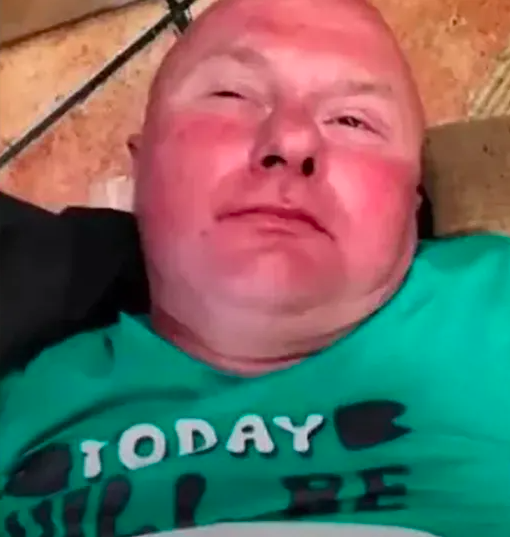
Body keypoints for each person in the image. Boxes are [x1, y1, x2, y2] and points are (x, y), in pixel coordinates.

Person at [0, 0, 508, 535]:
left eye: (353, 120)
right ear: (140, 167)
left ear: (413, 198)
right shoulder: (22, 406)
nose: (291, 141)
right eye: (232, 95)